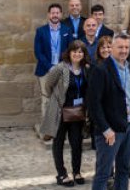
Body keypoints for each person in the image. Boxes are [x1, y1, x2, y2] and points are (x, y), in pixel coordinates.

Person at [88, 33, 130, 190]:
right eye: (120, 47)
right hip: (110, 131)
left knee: (124, 169)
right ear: (112, 47)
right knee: (104, 173)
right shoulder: (101, 70)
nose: (123, 50)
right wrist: (106, 129)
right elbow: (93, 104)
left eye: (126, 47)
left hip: (129, 127)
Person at [43, 40, 89, 187]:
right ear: (69, 52)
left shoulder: (86, 69)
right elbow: (48, 84)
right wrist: (56, 99)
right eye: (75, 51)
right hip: (60, 111)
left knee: (77, 143)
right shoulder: (60, 68)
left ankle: (76, 171)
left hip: (78, 113)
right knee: (59, 143)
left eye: (80, 51)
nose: (77, 54)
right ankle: (61, 173)